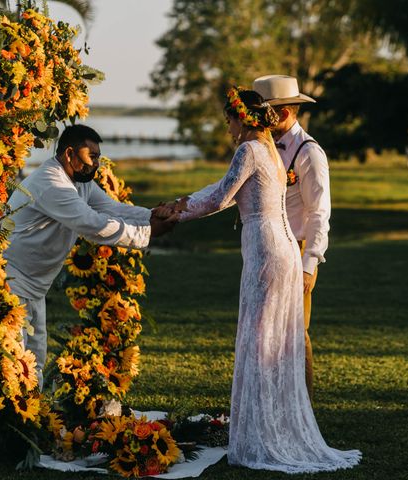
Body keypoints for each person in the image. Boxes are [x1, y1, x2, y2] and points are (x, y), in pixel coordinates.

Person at [163, 87, 360, 473]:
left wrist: (176, 215)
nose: (227, 128)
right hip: (282, 245)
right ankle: (271, 426)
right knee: (274, 338)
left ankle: (262, 435)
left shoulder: (250, 150)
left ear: (241, 118)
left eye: (228, 120)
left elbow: (222, 197)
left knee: (259, 339)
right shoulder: (270, 147)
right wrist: (183, 201)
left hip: (267, 247)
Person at [4, 124, 176, 386]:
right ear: (70, 153)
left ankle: (28, 422)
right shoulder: (52, 183)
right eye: (91, 156)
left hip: (36, 284)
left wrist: (151, 214)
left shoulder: (79, 181)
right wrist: (148, 233)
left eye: (97, 156)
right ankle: (10, 422)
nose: (95, 163)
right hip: (12, 280)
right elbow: (93, 224)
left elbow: (110, 208)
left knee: (34, 360)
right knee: (14, 362)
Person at [253, 74, 331, 401]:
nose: (257, 120)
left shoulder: (309, 153)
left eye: (264, 113)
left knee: (295, 335)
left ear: (284, 113)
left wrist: (309, 263)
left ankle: (303, 408)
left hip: (296, 251)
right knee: (267, 333)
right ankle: (274, 402)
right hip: (269, 250)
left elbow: (319, 212)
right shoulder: (263, 147)